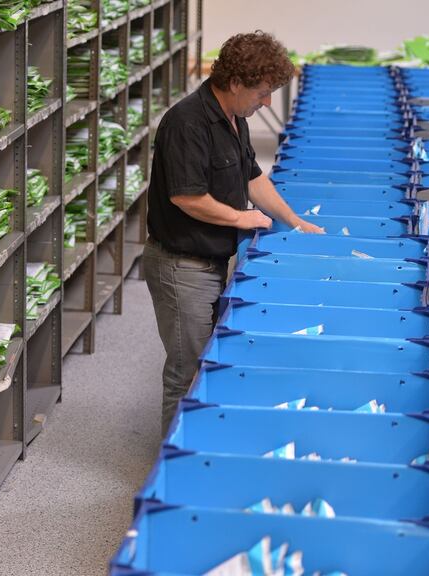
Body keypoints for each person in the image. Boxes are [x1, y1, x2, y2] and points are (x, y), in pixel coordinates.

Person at [144, 31, 324, 434]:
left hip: (209, 259)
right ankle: (175, 466)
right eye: (262, 93)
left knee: (206, 359)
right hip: (180, 267)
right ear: (236, 83)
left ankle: (199, 443)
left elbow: (252, 179)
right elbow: (187, 198)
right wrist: (243, 219)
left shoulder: (233, 119)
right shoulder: (187, 123)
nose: (267, 103)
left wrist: (294, 221)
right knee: (187, 369)